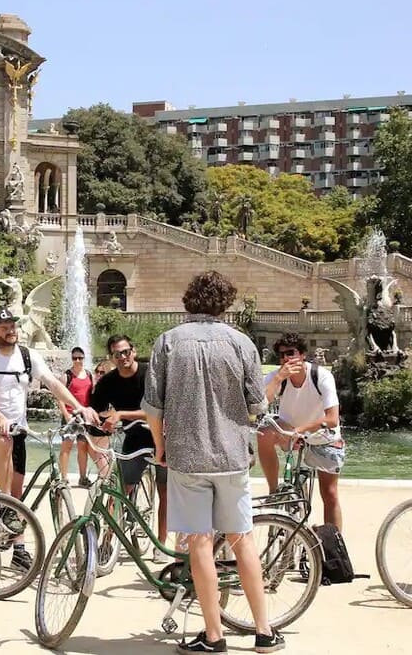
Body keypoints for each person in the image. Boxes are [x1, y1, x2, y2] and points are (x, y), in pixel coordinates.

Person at [143, 271, 282, 653]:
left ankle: (214, 635)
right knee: (243, 541)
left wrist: (160, 447)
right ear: (225, 303)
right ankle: (265, 631)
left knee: (200, 545)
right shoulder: (241, 344)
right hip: (233, 455)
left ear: (189, 300)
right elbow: (258, 406)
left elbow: (153, 408)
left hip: (187, 456)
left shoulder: (168, 343)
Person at [0, 307, 99, 570]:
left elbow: (53, 384)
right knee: (3, 445)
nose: (11, 330)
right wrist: (0, 419)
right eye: (4, 327)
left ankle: (18, 549)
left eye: (13, 326)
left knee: (20, 490)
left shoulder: (28, 356)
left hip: (19, 428)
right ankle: (3, 504)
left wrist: (79, 407)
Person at [92, 334, 169, 563]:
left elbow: (160, 409)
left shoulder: (150, 376)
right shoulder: (108, 382)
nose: (123, 357)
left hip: (162, 438)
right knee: (119, 491)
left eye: (126, 352)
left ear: (133, 351)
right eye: (117, 354)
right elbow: (95, 411)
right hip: (134, 437)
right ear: (112, 357)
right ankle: (107, 540)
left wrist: (122, 414)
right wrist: (92, 423)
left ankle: (161, 544)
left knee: (165, 491)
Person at [259, 331, 345, 529]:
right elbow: (261, 405)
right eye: (281, 355)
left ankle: (334, 544)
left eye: (291, 353)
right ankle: (274, 491)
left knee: (329, 494)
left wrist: (302, 429)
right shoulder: (277, 377)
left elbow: (332, 419)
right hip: (291, 432)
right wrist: (278, 378)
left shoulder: (321, 376)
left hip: (323, 436)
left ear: (303, 354)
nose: (286, 359)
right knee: (264, 433)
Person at [58, 346, 95, 486]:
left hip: (84, 417)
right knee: (66, 446)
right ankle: (64, 478)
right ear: (72, 359)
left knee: (82, 447)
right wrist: (66, 414)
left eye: (80, 358)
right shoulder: (66, 376)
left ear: (84, 358)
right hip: (71, 416)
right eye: (75, 358)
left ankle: (83, 477)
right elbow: (59, 397)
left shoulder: (89, 375)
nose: (78, 360)